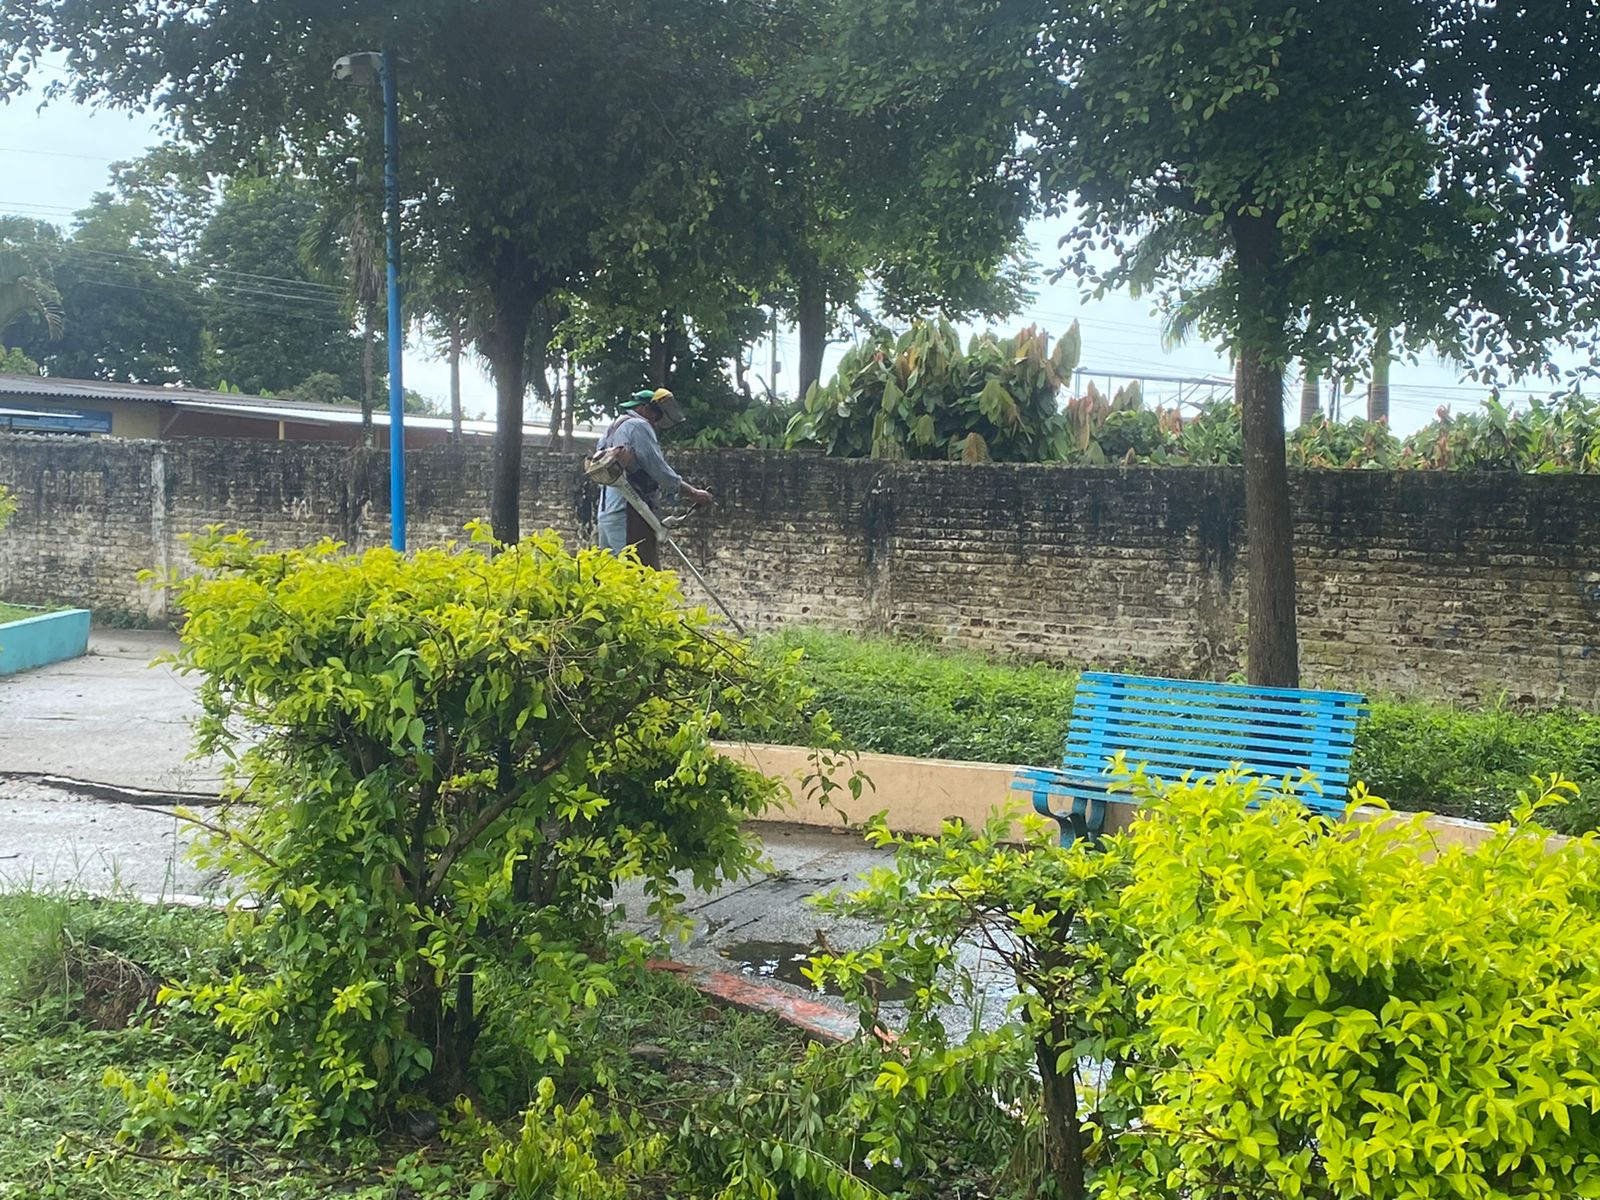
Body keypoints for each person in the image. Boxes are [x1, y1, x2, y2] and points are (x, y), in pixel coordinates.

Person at [593, 388, 713, 568]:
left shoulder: (612, 428)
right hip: (630, 511)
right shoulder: (638, 426)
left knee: (611, 574)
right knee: (637, 572)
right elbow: (658, 470)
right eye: (656, 415)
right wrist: (693, 493)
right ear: (644, 408)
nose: (656, 421)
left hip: (607, 511)